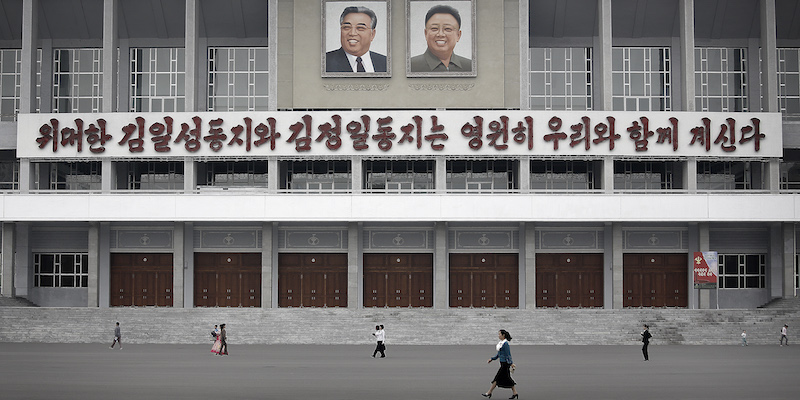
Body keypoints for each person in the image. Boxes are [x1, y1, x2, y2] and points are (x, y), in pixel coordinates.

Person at [410, 5, 472, 73]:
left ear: (458, 35)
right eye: (434, 28)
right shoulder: (411, 66)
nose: (440, 34)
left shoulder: (470, 66)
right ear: (426, 33)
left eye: (447, 29)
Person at [325, 6, 387, 73]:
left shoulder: (386, 62)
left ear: (372, 34)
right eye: (346, 27)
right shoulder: (324, 62)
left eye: (360, 28)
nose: (352, 33)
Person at [482, 329, 518, 399]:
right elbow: (498, 354)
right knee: (508, 379)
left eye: (499, 334)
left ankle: (489, 392)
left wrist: (511, 363)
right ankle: (515, 393)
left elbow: (508, 355)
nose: (498, 336)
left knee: (497, 378)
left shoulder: (506, 344)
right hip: (502, 364)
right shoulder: (501, 343)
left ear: (503, 335)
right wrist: (492, 359)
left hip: (505, 364)